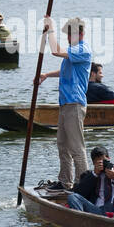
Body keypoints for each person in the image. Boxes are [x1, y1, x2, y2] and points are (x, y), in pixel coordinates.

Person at [35, 16, 90, 189]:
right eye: (67, 35)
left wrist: (50, 29)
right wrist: (46, 75)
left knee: (76, 148)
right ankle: (65, 181)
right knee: (62, 145)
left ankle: (83, 184)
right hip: (65, 103)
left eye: (70, 34)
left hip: (75, 103)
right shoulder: (73, 53)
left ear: (80, 34)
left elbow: (55, 51)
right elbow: (64, 71)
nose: (68, 38)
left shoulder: (83, 50)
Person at [67, 146, 114, 215]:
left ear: (109, 158)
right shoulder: (88, 175)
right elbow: (79, 193)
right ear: (94, 163)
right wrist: (94, 175)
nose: (102, 165)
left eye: (104, 162)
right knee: (73, 197)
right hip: (96, 210)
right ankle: (82, 221)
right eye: (98, 163)